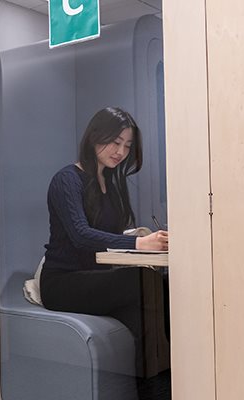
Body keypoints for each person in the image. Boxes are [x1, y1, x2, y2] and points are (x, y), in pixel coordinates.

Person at [39, 106, 168, 379]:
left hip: (95, 280)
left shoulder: (111, 183)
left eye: (127, 145)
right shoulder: (67, 179)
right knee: (145, 282)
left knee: (156, 301)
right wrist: (140, 244)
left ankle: (160, 386)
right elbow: (81, 235)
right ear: (95, 136)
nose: (120, 151)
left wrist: (142, 239)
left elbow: (111, 235)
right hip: (63, 282)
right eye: (114, 141)